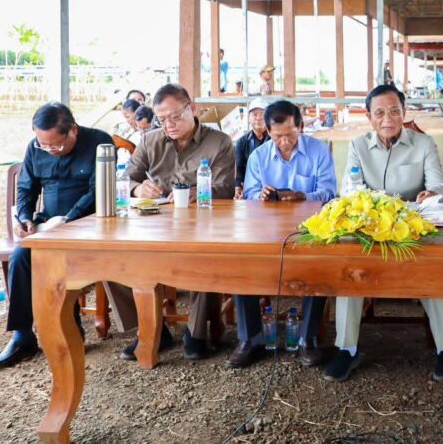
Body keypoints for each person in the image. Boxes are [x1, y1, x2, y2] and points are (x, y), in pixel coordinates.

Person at [327, 84, 443, 383]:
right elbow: (350, 190)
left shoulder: (423, 143)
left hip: (411, 228)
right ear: (369, 117)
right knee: (350, 269)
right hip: (369, 229)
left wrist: (431, 194)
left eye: (395, 111)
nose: (388, 119)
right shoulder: (358, 146)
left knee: (433, 271)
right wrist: (372, 208)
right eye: (380, 113)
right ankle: (346, 349)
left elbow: (438, 185)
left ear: (404, 112)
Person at [0, 103, 117, 368]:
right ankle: (22, 336)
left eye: (56, 145)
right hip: (48, 224)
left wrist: (69, 219)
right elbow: (26, 188)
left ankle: (69, 326)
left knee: (57, 257)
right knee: (21, 257)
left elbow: (98, 190)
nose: (49, 150)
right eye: (43, 145)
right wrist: (24, 217)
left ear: (73, 130)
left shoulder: (99, 142)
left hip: (88, 223)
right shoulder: (35, 147)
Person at [120, 84, 236, 361]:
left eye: (174, 117)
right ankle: (151, 328)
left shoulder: (219, 142)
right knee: (114, 258)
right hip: (156, 223)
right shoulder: (150, 141)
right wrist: (138, 189)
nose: (168, 125)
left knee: (208, 256)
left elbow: (226, 189)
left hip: (202, 223)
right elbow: (125, 178)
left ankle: (196, 332)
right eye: (162, 119)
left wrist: (199, 192)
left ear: (192, 109)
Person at [228, 101, 337, 368]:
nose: (285, 142)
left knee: (318, 263)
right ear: (268, 131)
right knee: (241, 260)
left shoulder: (319, 150)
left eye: (291, 134)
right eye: (278, 136)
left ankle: (308, 338)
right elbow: (249, 196)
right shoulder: (258, 156)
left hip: (309, 230)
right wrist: (261, 195)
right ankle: (250, 339)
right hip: (265, 229)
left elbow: (330, 193)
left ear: (300, 127)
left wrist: (303, 196)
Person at [234, 98, 269, 199]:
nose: (258, 118)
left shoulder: (275, 139)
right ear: (249, 118)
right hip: (250, 189)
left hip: (270, 188)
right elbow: (239, 168)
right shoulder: (241, 142)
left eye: (262, 114)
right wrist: (238, 189)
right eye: (254, 114)